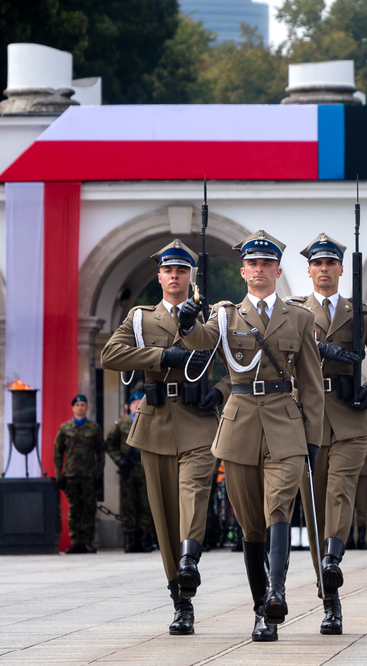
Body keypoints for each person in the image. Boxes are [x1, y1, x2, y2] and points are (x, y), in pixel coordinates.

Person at [178, 229, 325, 643]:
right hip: (240, 422)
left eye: (267, 264)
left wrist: (312, 441)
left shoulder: (300, 318)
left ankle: (276, 595)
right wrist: (187, 321)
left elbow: (311, 386)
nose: (259, 270)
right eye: (253, 264)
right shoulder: (224, 316)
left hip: (284, 423)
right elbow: (201, 342)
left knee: (279, 508)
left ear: (278, 271)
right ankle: (261, 606)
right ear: (243, 271)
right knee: (250, 525)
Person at [101, 239, 223, 636]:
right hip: (155, 425)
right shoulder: (140, 319)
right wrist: (160, 357)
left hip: (199, 422)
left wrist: (219, 391)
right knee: (166, 516)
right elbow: (110, 355)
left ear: (192, 276)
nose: (175, 276)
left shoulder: (214, 317)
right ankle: (181, 600)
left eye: (182, 271)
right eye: (169, 271)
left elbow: (242, 363)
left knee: (193, 495)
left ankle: (189, 560)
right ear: (159, 277)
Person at [292, 232, 367, 635]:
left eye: (330, 263)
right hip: (309, 419)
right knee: (316, 508)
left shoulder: (363, 314)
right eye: (317, 264)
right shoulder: (294, 313)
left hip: (352, 419)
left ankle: (334, 560)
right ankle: (330, 600)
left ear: (341, 268)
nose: (323, 270)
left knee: (339, 493)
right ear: (309, 271)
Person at [53, 395, 105, 554]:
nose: (80, 407)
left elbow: (101, 452)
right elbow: (57, 451)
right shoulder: (65, 428)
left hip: (89, 475)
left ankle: (88, 542)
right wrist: (59, 474)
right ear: (73, 408)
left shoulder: (94, 428)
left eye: (83, 404)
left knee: (89, 509)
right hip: (71, 475)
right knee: (74, 509)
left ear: (87, 408)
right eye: (77, 405)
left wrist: (99, 474)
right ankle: (76, 542)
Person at [104, 392, 154, 553]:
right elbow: (109, 444)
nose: (137, 404)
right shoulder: (122, 423)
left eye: (140, 402)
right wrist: (119, 461)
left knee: (147, 505)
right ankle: (131, 540)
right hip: (129, 471)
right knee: (129, 505)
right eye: (134, 402)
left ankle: (145, 540)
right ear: (129, 406)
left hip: (146, 469)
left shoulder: (151, 420)